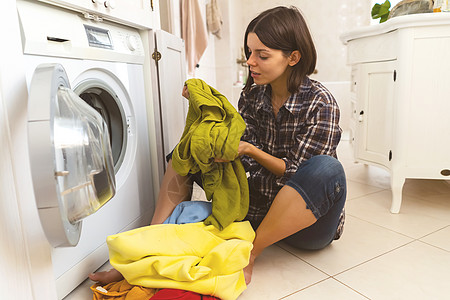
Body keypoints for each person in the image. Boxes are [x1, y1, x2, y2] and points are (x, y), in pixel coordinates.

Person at [90, 5, 346, 287]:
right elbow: (239, 157)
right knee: (187, 151)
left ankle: (249, 253)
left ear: (293, 57)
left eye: (262, 55)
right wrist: (206, 114)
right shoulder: (251, 97)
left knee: (327, 169)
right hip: (256, 211)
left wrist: (249, 150)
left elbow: (296, 173)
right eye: (249, 52)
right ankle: (149, 246)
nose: (250, 61)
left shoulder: (321, 102)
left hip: (306, 226)